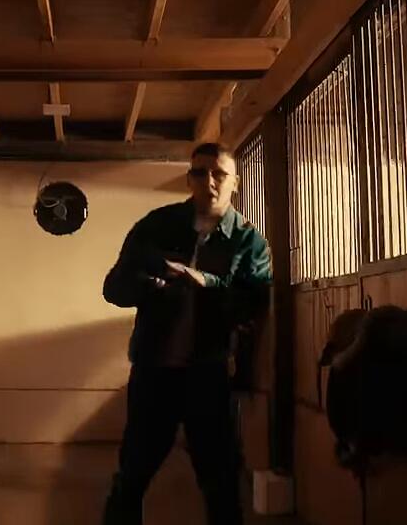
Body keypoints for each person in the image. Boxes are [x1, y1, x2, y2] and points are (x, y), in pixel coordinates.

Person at [101, 142, 272, 525]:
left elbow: (253, 303)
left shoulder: (249, 241)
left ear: (235, 182)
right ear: (189, 178)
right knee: (131, 476)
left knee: (220, 482)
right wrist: (151, 284)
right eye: (199, 172)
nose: (208, 181)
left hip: (208, 374)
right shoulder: (156, 225)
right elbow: (114, 288)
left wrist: (206, 282)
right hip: (153, 371)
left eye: (219, 174)